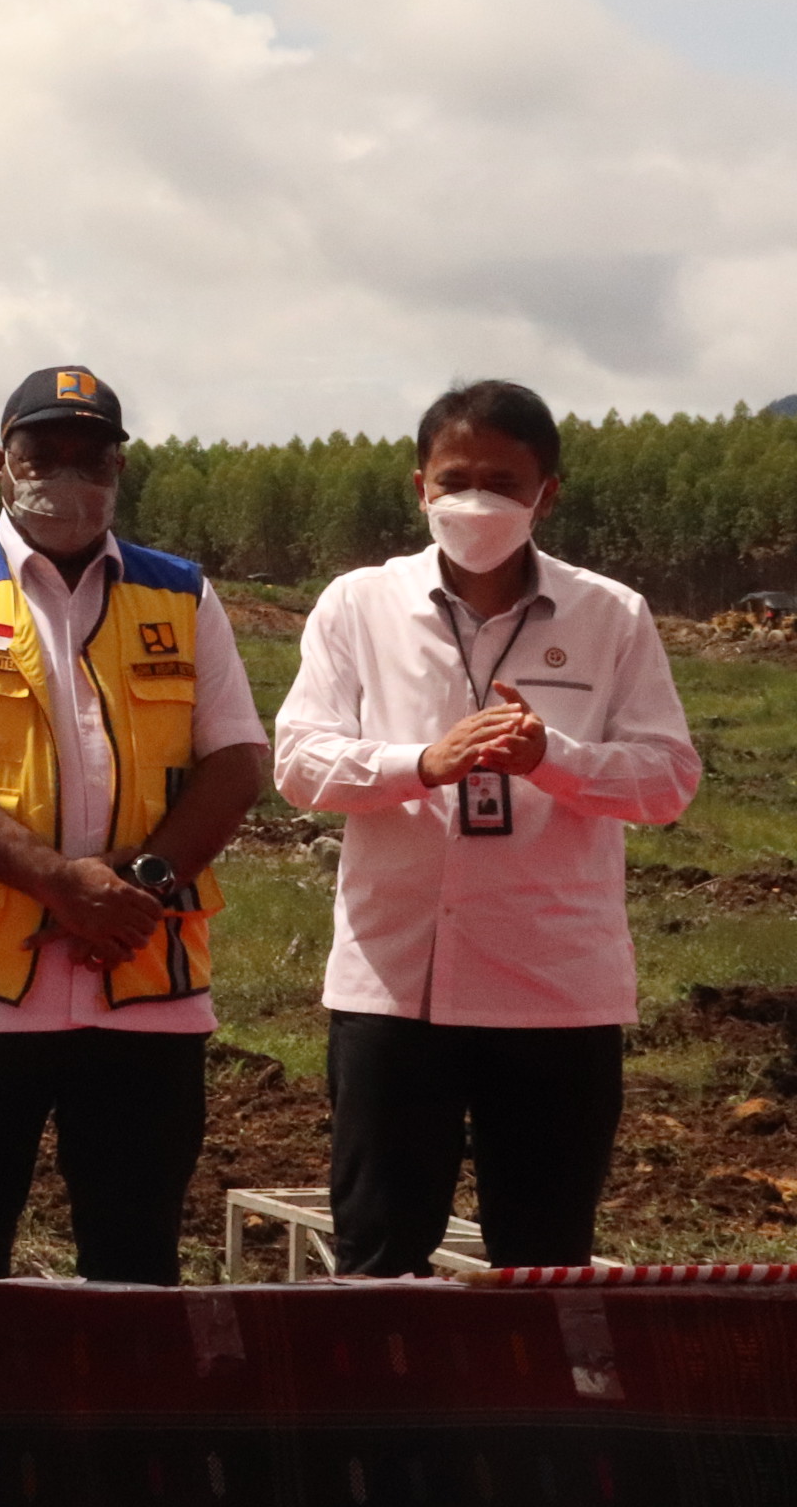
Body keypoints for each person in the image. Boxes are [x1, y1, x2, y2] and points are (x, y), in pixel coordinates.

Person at [276, 380, 699, 1275]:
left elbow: (668, 780)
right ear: (419, 485)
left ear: (548, 493)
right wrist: (417, 764)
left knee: (544, 1260)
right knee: (379, 1253)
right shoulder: (359, 605)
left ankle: (526, 1418)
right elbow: (299, 761)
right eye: (455, 476)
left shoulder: (610, 615)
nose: (476, 501)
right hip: (395, 987)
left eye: (503, 482)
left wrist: (555, 758)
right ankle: (390, 1416)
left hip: (553, 988)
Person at [0, 365, 268, 1284]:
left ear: (120, 469)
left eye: (93, 457)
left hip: (144, 987)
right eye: (45, 454)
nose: (67, 477)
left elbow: (238, 763)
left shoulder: (184, 597)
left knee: (135, 1263)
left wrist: (143, 886)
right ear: (3, 464)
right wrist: (60, 884)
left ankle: (118, 1433)